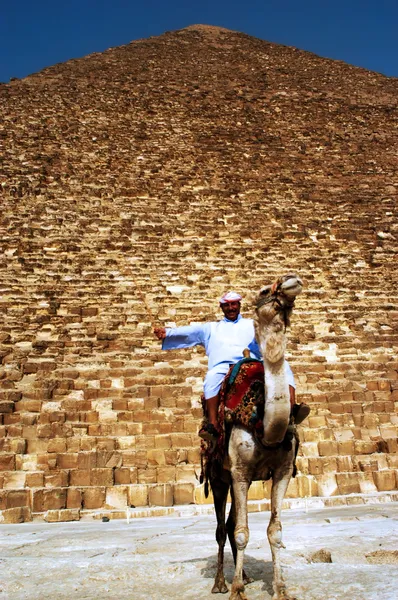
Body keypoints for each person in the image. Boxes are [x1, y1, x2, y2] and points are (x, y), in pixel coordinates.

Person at [154, 291, 309, 442]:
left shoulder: (252, 324)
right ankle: (213, 424)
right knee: (211, 378)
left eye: (234, 304)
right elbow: (189, 332)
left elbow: (267, 333)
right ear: (221, 308)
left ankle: (292, 410)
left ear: (239, 305)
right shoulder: (211, 328)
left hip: (252, 363)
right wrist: (167, 333)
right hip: (223, 367)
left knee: (283, 364)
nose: (231, 308)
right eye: (227, 305)